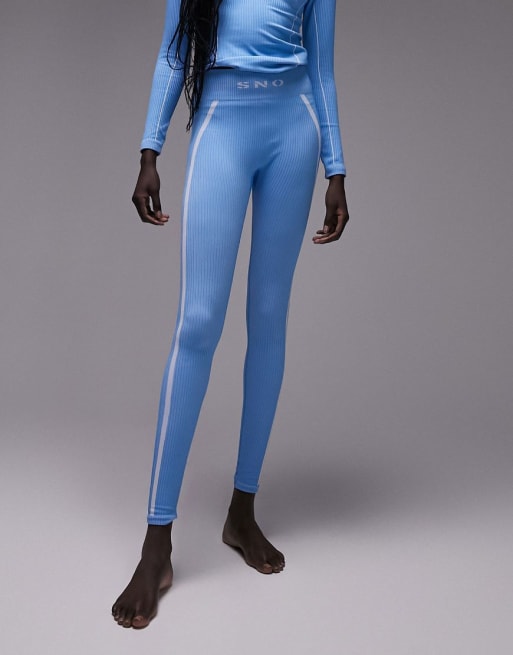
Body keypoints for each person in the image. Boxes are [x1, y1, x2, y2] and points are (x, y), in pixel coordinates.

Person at [112, 0, 349, 629]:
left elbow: (322, 68)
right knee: (198, 324)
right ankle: (156, 544)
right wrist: (149, 149)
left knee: (269, 320)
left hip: (294, 130)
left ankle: (242, 512)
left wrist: (336, 167)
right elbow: (174, 53)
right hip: (223, 121)